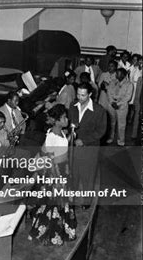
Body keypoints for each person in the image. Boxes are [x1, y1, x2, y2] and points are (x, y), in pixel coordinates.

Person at [28, 104, 77, 246]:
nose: (66, 119)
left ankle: (63, 230)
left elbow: (61, 149)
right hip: (55, 175)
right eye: (63, 118)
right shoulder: (51, 136)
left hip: (63, 171)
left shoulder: (60, 133)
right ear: (56, 121)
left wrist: (69, 137)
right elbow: (48, 158)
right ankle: (51, 234)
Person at [68, 83, 107, 205]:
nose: (79, 98)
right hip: (73, 149)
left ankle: (86, 201)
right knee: (73, 174)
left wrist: (84, 141)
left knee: (88, 176)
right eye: (78, 94)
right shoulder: (72, 106)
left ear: (90, 94)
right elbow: (70, 124)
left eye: (83, 95)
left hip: (90, 149)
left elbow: (101, 131)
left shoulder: (99, 110)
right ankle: (71, 199)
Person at [106, 68, 133, 146]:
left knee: (121, 125)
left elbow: (128, 97)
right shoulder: (112, 82)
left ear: (124, 75)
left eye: (119, 73)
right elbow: (109, 93)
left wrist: (118, 104)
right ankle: (110, 138)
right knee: (111, 123)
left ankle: (121, 141)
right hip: (111, 105)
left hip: (122, 106)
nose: (116, 75)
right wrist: (112, 102)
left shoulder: (129, 84)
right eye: (116, 73)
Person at [128, 54, 142, 125]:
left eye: (136, 60)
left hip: (138, 87)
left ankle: (134, 118)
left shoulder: (140, 68)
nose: (134, 61)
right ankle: (130, 117)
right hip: (131, 86)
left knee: (135, 104)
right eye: (133, 59)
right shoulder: (131, 67)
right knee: (130, 103)